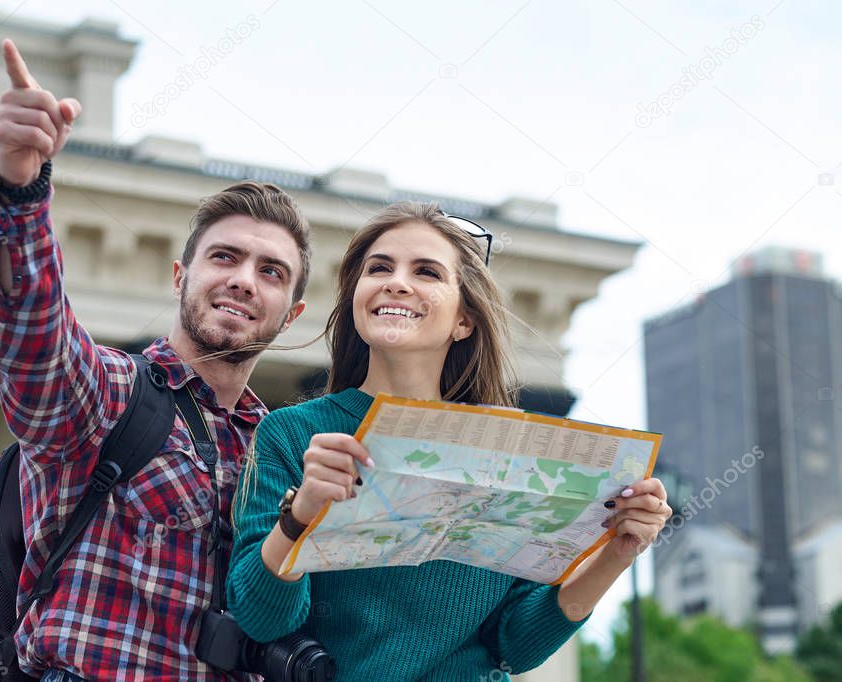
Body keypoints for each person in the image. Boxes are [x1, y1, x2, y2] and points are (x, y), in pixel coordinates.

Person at [226, 203, 673, 680]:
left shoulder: (511, 449)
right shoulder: (291, 435)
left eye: (427, 272)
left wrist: (616, 554)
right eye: (379, 268)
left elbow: (517, 646)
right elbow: (261, 618)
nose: (396, 282)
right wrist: (302, 515)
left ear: (465, 320)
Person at [0, 39, 309, 680]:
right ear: (180, 275)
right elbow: (33, 339)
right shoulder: (110, 392)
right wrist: (19, 190)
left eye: (271, 272)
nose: (244, 279)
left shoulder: (283, 450)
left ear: (291, 313)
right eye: (224, 257)